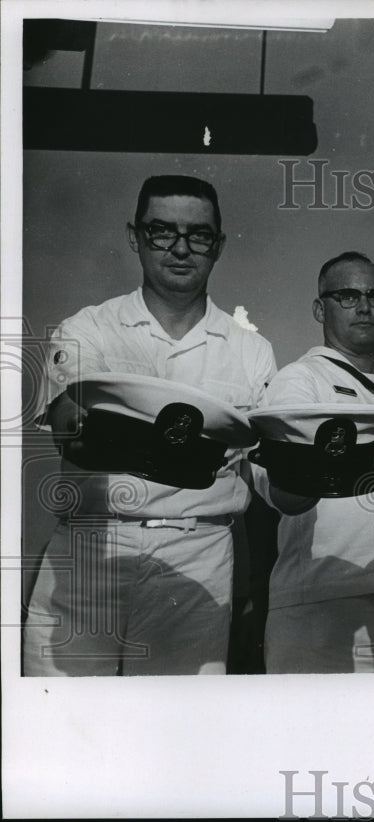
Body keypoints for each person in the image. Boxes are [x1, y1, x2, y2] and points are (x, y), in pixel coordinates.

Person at [23, 174, 276, 675]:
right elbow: (72, 432)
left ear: (219, 245)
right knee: (64, 723)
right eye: (162, 232)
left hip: (198, 555)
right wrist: (200, 444)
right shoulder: (87, 329)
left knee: (180, 731)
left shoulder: (252, 351)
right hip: (92, 547)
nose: (180, 248)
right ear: (134, 237)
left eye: (198, 235)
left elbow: (268, 477)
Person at [255, 252, 374, 673]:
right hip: (321, 597)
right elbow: (279, 490)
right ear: (320, 308)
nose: (364, 306)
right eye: (348, 296)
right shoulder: (300, 380)